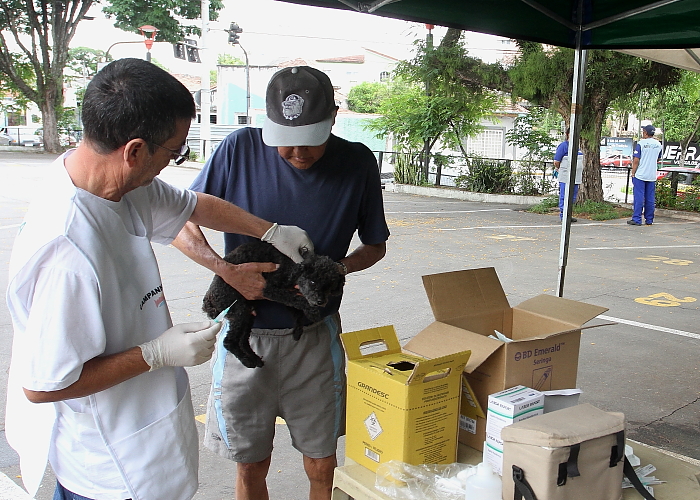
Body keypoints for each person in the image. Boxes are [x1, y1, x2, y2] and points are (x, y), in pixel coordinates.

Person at [4, 58, 312, 500]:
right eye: (174, 151)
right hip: (111, 472)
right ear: (134, 150)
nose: (173, 162)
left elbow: (193, 205)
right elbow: (43, 385)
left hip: (149, 438)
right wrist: (154, 353)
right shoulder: (66, 251)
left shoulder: (114, 182)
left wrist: (269, 231)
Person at [173, 66, 390, 500]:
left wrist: (338, 269)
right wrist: (225, 269)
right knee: (251, 464)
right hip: (245, 334)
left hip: (314, 337)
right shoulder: (238, 149)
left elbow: (376, 244)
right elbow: (180, 221)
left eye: (310, 140)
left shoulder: (358, 162)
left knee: (321, 463)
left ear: (333, 117)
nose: (295, 152)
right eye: (284, 140)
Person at [628, 124, 662, 226]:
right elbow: (658, 158)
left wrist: (633, 173)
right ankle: (649, 219)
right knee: (650, 198)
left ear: (646, 133)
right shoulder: (658, 144)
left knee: (639, 197)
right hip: (651, 175)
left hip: (640, 175)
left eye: (643, 131)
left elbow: (636, 160)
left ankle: (637, 219)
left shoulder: (641, 143)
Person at [553, 127, 584, 222]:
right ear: (568, 134)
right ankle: (564, 216)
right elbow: (556, 161)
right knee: (564, 195)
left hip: (576, 177)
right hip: (566, 176)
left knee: (573, 197)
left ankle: (569, 214)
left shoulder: (577, 147)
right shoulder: (564, 146)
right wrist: (560, 169)